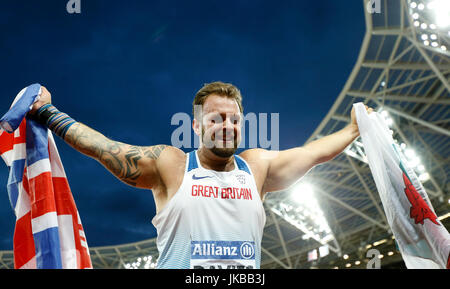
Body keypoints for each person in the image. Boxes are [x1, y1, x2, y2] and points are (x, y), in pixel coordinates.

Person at [29, 81, 372, 269]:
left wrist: (355, 129)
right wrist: (47, 112)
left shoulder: (256, 168)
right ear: (196, 125)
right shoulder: (173, 165)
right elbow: (104, 147)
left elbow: (313, 153)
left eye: (234, 120)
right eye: (216, 119)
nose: (227, 126)